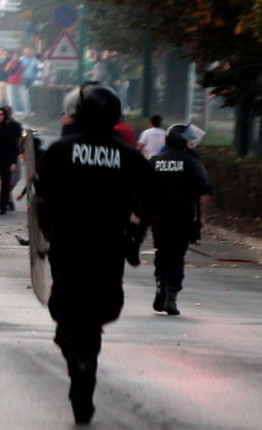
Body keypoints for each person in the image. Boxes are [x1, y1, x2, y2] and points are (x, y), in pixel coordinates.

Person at [36, 83, 155, 424]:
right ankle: (86, 361)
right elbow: (153, 201)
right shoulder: (130, 157)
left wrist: (45, 234)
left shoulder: (61, 150)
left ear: (80, 114)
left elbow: (42, 199)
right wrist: (136, 237)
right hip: (109, 247)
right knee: (100, 311)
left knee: (65, 309)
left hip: (68, 244)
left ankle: (75, 355)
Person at [150, 124, 213, 316]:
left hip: (159, 218)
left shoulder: (155, 161)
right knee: (177, 255)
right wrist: (202, 218)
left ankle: (161, 283)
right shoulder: (192, 162)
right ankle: (171, 295)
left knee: (162, 251)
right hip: (183, 218)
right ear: (183, 141)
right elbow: (205, 191)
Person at [0, 107, 20, 214]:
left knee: (5, 185)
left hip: (6, 160)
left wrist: (13, 162)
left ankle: (3, 206)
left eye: (1, 115)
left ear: (5, 116)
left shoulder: (11, 129)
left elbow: (14, 147)